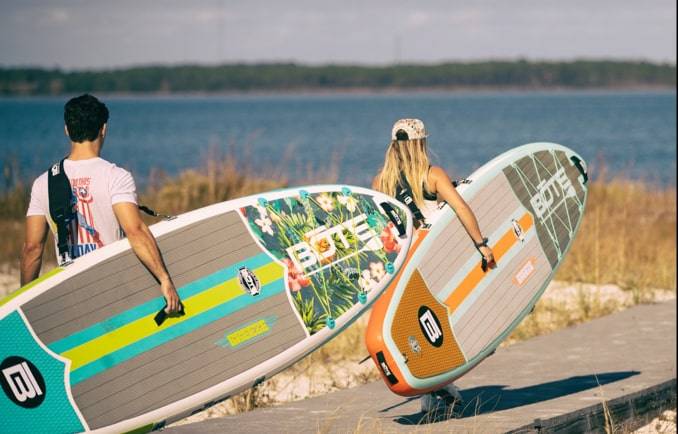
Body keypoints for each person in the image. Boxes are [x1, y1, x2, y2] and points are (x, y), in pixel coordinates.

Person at [373, 118, 496, 412]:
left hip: (403, 268)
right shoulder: (432, 176)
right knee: (450, 320)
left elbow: (383, 231)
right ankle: (437, 388)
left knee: (421, 326)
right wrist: (481, 245)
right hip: (434, 262)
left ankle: (435, 391)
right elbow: (462, 208)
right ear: (421, 144)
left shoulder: (380, 183)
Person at [20, 94, 181, 313]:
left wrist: (23, 304)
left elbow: (32, 248)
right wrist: (164, 279)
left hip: (71, 290)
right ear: (103, 129)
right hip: (113, 287)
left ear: (67, 130)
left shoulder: (43, 182)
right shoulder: (115, 176)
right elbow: (135, 231)